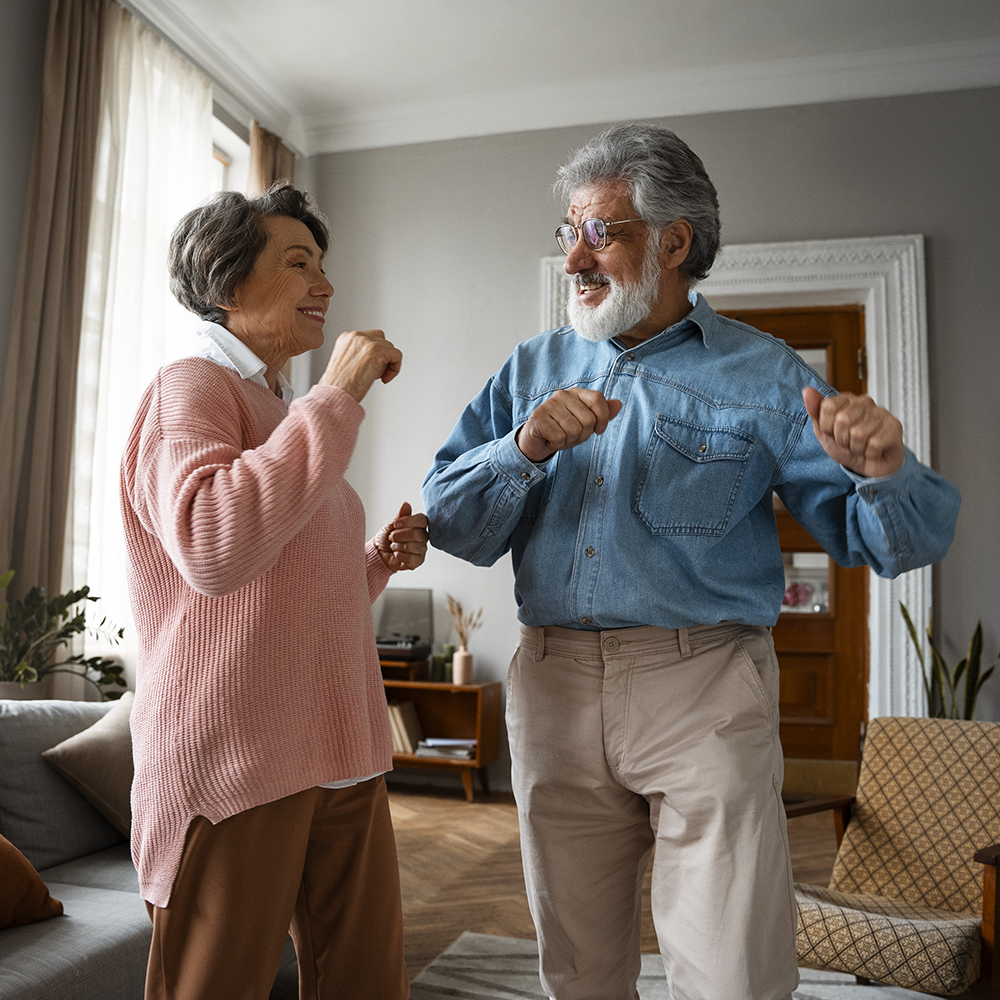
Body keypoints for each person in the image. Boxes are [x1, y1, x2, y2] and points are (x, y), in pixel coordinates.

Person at [421, 123, 961, 1000]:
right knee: (578, 973)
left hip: (704, 688)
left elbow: (896, 545)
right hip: (553, 687)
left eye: (601, 233)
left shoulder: (765, 375)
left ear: (673, 244)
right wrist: (521, 448)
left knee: (732, 974)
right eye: (569, 232)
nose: (575, 258)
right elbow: (451, 524)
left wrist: (885, 471)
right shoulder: (529, 369)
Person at [120, 183, 427, 1000]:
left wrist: (375, 562)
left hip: (340, 752)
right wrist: (337, 395)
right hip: (236, 762)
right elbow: (213, 546)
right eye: (299, 263)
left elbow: (288, 593)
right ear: (226, 284)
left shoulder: (283, 406)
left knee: (368, 986)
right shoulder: (191, 387)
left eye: (323, 264)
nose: (325, 284)